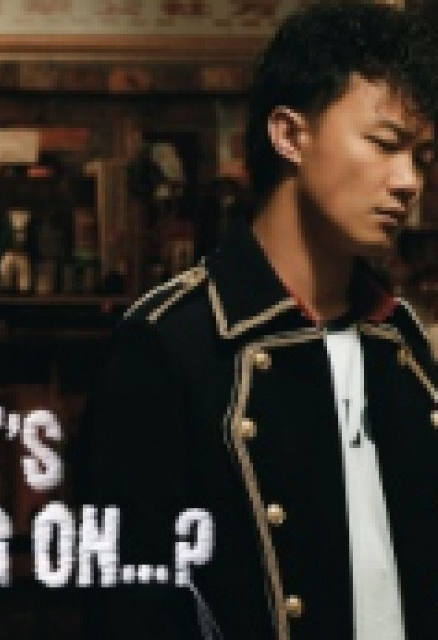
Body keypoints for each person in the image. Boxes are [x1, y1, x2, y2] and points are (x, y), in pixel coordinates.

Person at [76, 2, 438, 639]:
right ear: (289, 136)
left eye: (424, 157)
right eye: (385, 145)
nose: (409, 181)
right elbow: (131, 606)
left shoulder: (399, 339)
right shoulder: (172, 343)